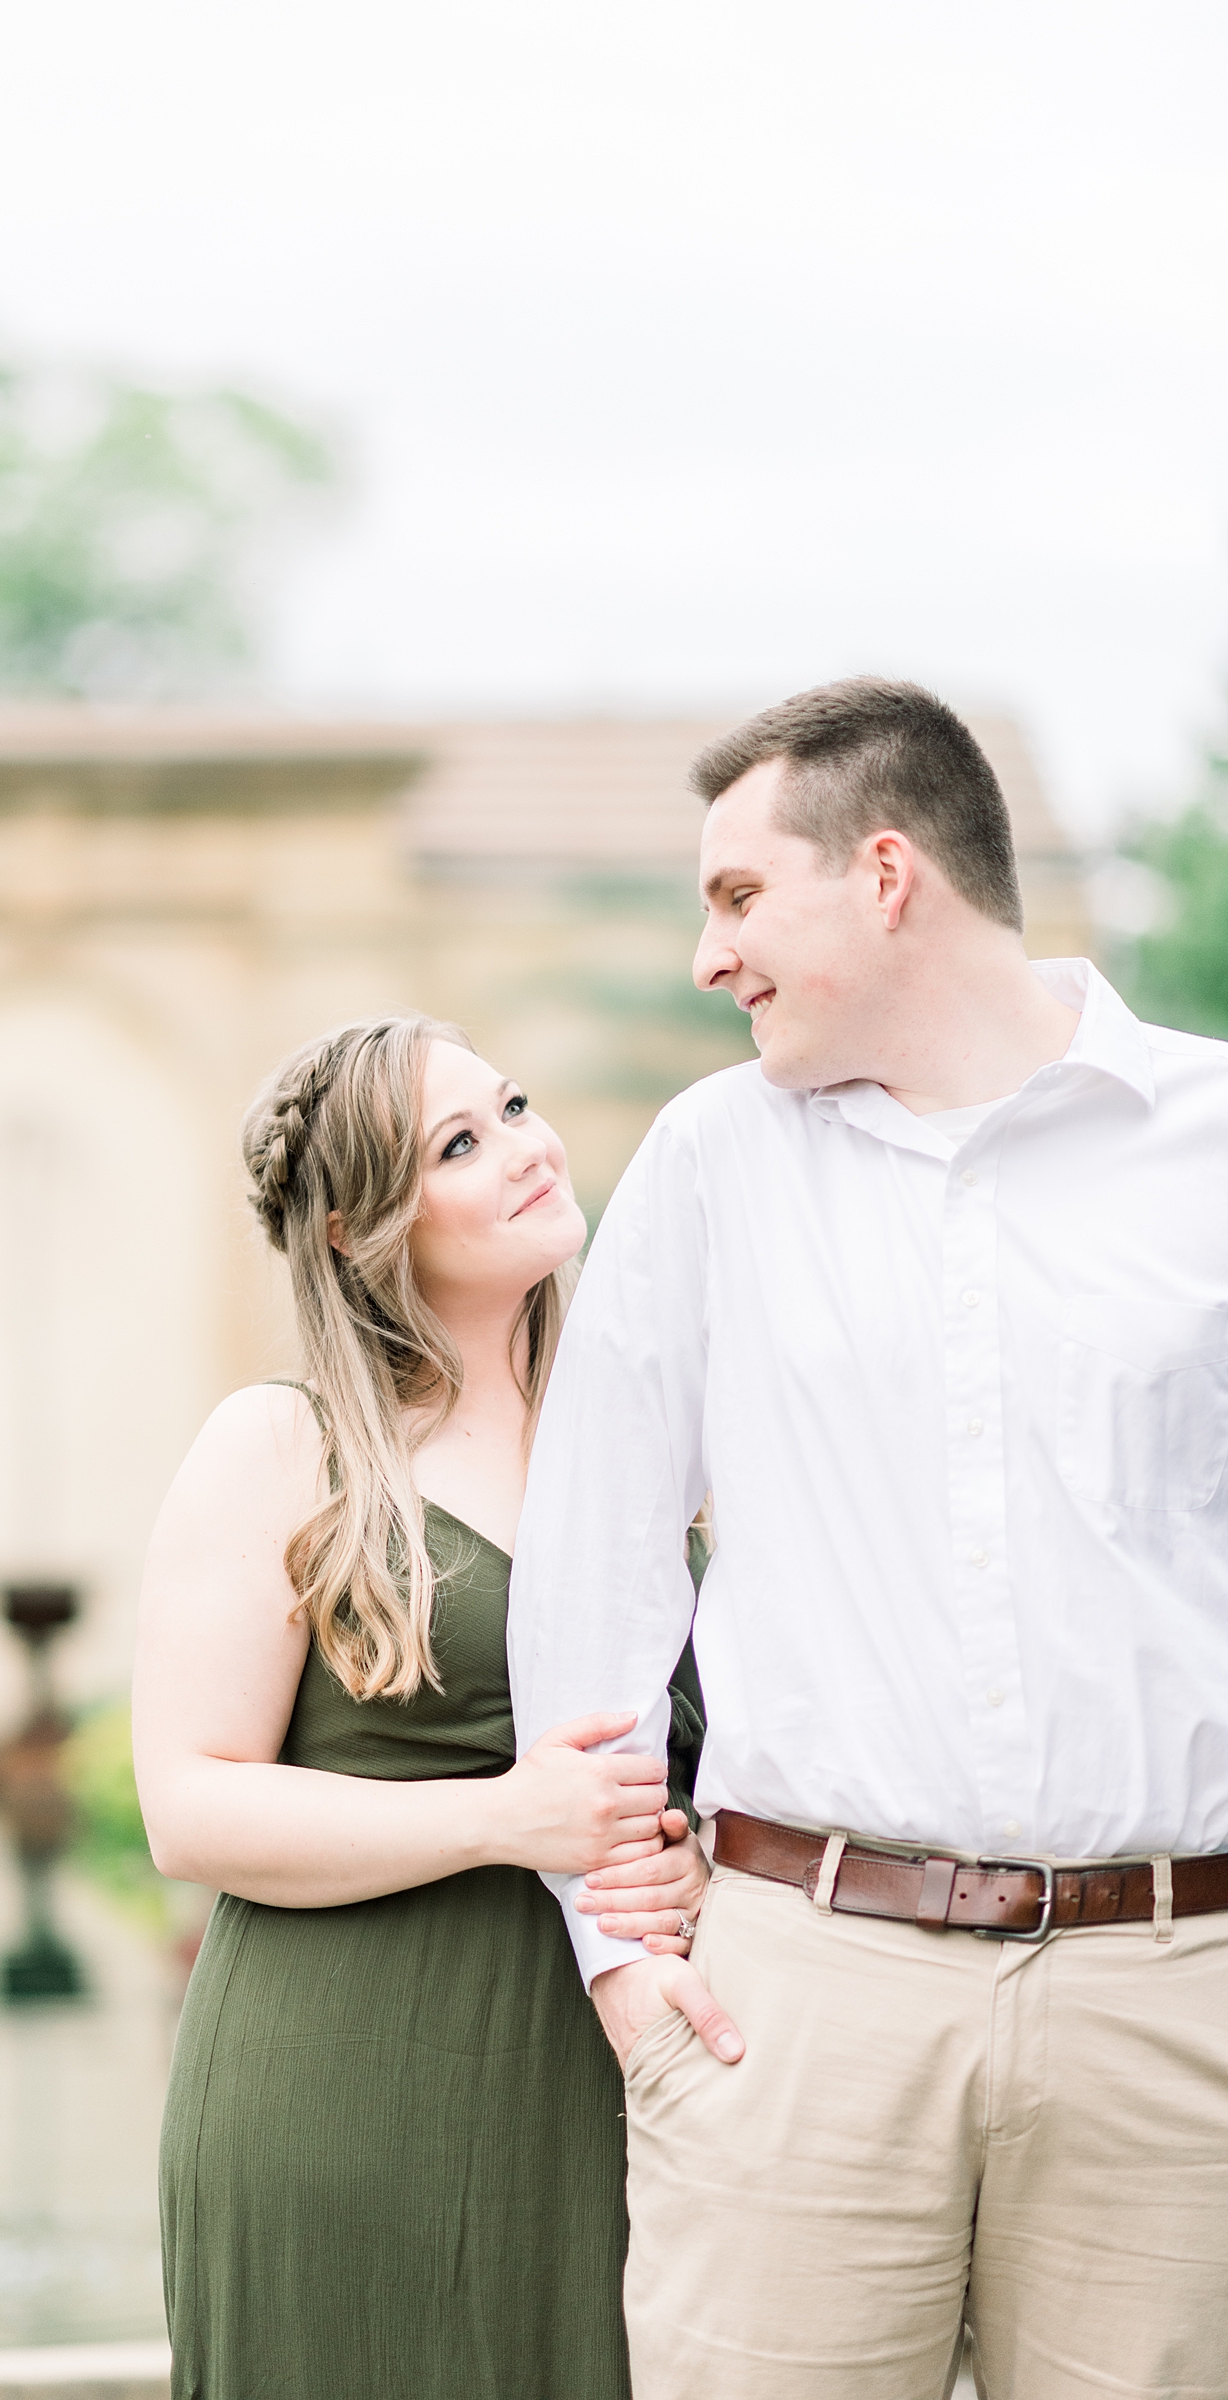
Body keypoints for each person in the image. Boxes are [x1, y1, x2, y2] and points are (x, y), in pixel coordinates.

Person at [507, 677, 1228, 2400]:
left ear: (885, 874)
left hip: (1175, 2014)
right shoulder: (708, 1166)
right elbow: (596, 1579)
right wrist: (618, 1969)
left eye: (740, 897)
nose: (708, 956)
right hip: (797, 2009)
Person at [132, 1013, 709, 2400]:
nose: (524, 1149)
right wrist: (505, 1819)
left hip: (594, 2090)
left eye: (510, 1106)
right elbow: (187, 1806)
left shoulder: (634, 1438)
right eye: (460, 1143)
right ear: (357, 1231)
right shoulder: (286, 1445)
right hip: (342, 2091)